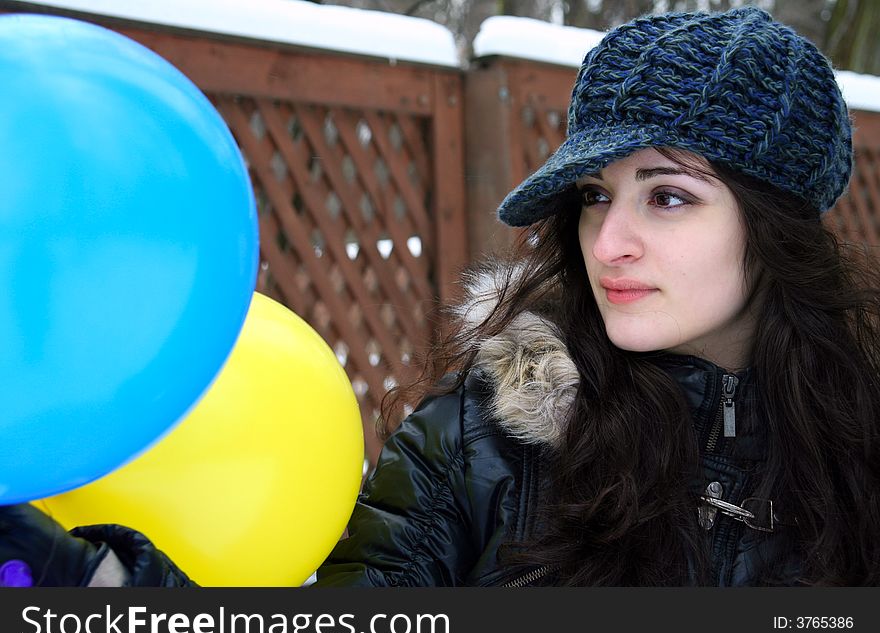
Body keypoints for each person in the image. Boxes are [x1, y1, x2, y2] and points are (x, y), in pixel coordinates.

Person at [3, 6, 879, 587]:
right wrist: (93, 586)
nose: (609, 241)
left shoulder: (856, 455)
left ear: (774, 226)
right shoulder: (482, 445)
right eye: (595, 195)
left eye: (669, 196)